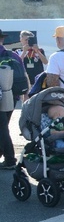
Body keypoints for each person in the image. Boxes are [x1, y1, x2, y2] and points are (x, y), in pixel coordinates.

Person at [0, 30, 28, 169]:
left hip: (1, 96)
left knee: (2, 128)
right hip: (13, 96)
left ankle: (10, 159)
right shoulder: (14, 55)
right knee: (3, 126)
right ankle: (6, 156)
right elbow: (24, 75)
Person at [17, 31, 47, 95]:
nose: (27, 42)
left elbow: (45, 62)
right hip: (25, 79)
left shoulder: (40, 50)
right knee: (26, 97)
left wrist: (38, 51)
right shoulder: (19, 51)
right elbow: (18, 63)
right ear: (21, 40)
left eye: (29, 40)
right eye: (25, 40)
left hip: (38, 79)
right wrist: (24, 51)